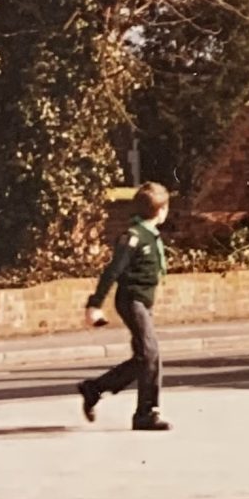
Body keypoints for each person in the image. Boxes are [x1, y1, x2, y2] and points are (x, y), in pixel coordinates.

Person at [78, 181, 171, 431]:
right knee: (151, 353)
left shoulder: (148, 236)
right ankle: (146, 413)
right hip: (132, 301)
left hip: (142, 302)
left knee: (144, 358)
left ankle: (94, 389)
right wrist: (94, 304)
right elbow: (113, 271)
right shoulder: (133, 238)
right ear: (162, 211)